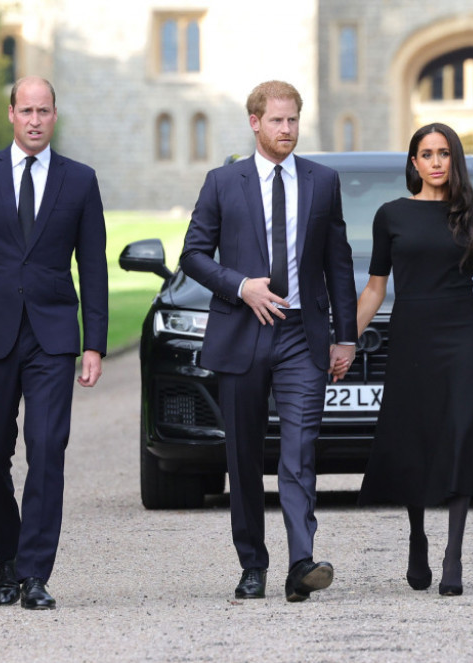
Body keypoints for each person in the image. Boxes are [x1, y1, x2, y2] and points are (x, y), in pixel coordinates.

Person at [0, 76, 108, 610]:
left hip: (53, 334)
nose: (34, 120)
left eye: (43, 111)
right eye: (26, 110)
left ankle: (33, 573)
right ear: (11, 113)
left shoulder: (80, 180)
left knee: (48, 448)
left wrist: (94, 342)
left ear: (55, 115)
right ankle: (6, 557)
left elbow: (94, 267)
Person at [180, 80, 357, 602]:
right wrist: (241, 286)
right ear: (255, 122)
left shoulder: (322, 181)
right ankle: (252, 564)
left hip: (303, 334)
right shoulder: (222, 182)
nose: (287, 129)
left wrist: (345, 336)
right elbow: (193, 254)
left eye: (293, 120)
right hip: (243, 331)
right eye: (277, 120)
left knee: (299, 451)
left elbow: (338, 263)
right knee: (243, 455)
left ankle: (301, 563)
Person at [353, 123, 473, 596]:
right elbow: (375, 289)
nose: (435, 162)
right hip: (411, 336)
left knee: (460, 433)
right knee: (415, 436)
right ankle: (417, 536)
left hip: (462, 338)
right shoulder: (391, 215)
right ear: (414, 163)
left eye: (444, 153)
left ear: (454, 160)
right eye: (426, 154)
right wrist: (344, 341)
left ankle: (454, 555)